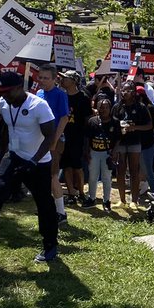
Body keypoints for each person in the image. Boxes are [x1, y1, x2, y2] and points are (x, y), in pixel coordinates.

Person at [0, 71, 60, 264]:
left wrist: (33, 160)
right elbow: (8, 129)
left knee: (44, 204)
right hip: (13, 157)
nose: (3, 96)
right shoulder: (4, 104)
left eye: (7, 92)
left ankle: (50, 245)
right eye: (0, 92)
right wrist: (2, 153)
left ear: (18, 88)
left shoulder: (39, 106)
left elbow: (50, 137)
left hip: (38, 163)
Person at [32, 64, 70, 222]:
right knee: (41, 176)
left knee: (53, 175)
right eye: (40, 77)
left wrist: (54, 140)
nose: (42, 81)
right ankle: (46, 208)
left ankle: (61, 213)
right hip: (39, 140)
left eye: (46, 78)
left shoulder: (60, 94)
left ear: (55, 79)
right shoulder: (38, 93)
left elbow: (64, 118)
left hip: (54, 140)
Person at [59, 71, 91, 207]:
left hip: (77, 137)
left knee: (77, 166)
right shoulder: (62, 96)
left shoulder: (83, 98)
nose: (62, 80)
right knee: (66, 165)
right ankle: (71, 193)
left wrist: (86, 139)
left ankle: (82, 193)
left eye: (65, 78)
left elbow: (88, 119)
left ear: (73, 81)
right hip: (63, 135)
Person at [85, 94, 116, 211]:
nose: (103, 110)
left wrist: (115, 152)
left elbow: (117, 139)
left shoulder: (114, 122)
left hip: (107, 154)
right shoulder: (92, 121)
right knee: (92, 177)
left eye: (106, 107)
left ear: (110, 108)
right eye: (101, 107)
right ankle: (91, 198)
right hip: (94, 152)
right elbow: (87, 138)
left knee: (106, 178)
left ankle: (106, 201)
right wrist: (87, 152)